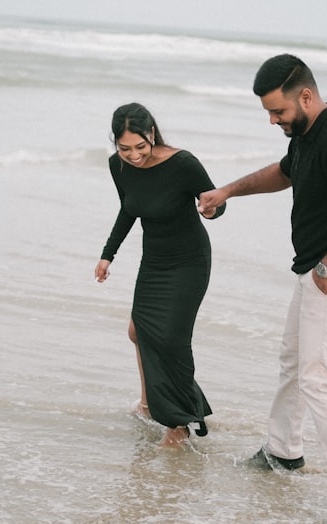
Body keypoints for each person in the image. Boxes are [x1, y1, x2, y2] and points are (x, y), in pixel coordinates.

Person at [198, 55, 327, 524]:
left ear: (305, 96)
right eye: (268, 113)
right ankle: (283, 452)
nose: (273, 121)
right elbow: (286, 172)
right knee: (293, 361)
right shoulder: (309, 134)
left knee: (321, 384)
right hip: (318, 274)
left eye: (278, 112)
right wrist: (227, 190)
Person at [95, 102, 226, 447]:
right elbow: (129, 209)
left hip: (189, 260)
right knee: (138, 331)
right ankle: (150, 403)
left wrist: (211, 209)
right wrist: (108, 255)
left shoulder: (182, 163)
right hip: (154, 260)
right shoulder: (117, 166)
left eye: (140, 146)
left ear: (152, 134)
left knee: (171, 340)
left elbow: (216, 201)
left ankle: (178, 423)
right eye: (124, 148)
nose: (133, 155)